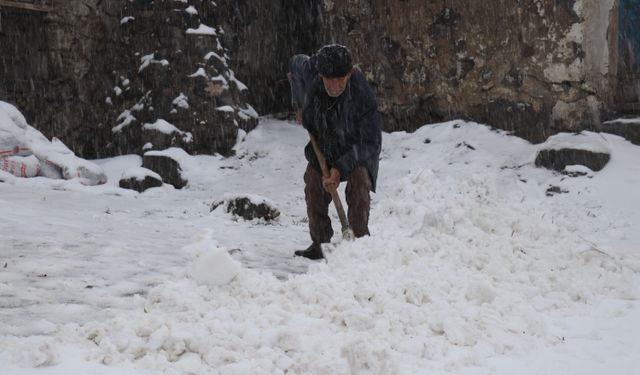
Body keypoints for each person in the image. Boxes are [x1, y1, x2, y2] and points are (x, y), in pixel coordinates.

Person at [288, 44, 382, 259]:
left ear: (349, 73)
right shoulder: (312, 69)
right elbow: (294, 64)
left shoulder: (362, 94)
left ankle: (359, 241)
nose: (335, 85)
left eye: (341, 79)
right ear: (320, 74)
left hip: (356, 151)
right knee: (313, 182)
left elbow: (371, 142)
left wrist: (340, 168)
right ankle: (320, 243)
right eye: (329, 79)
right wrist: (299, 106)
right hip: (324, 145)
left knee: (358, 183)